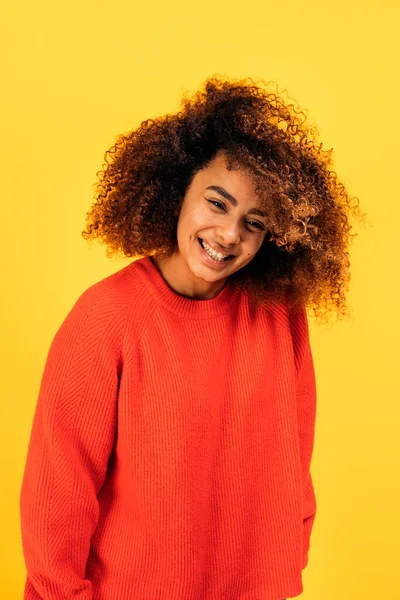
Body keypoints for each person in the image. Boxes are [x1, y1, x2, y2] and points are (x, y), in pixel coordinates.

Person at [19, 75, 364, 599]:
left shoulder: (278, 314)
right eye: (217, 203)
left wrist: (286, 562)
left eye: (255, 222)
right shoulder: (105, 318)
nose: (230, 235)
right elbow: (58, 494)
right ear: (177, 187)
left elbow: (295, 455)